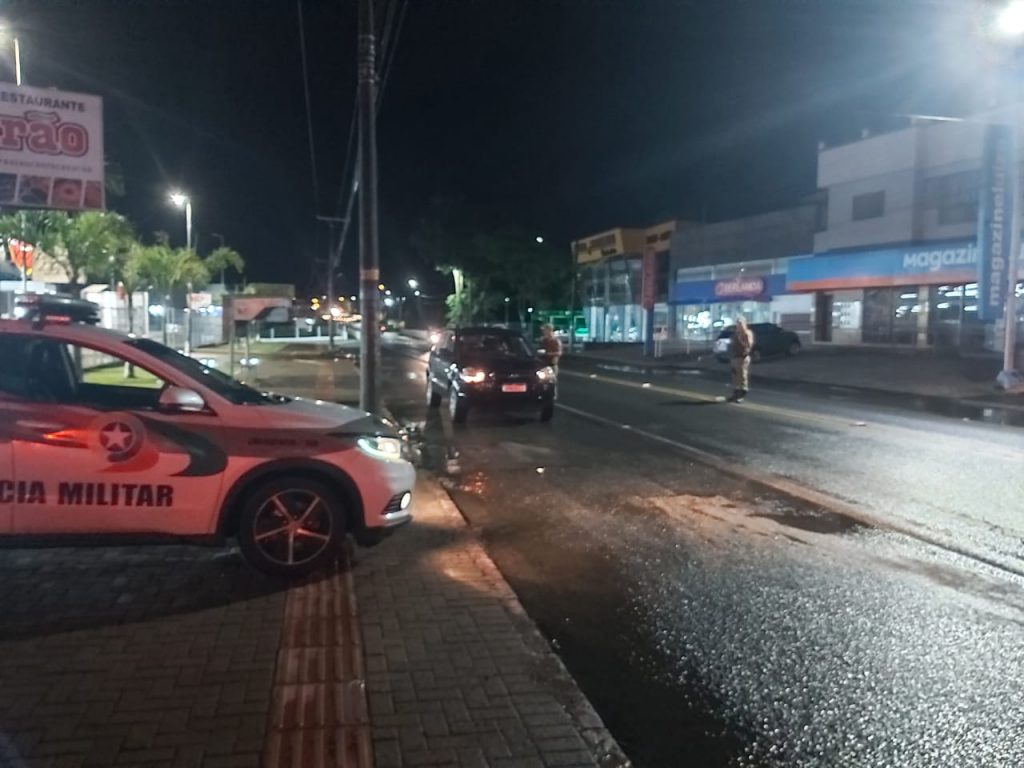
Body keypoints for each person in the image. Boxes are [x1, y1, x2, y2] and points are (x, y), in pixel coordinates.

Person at [729, 317, 754, 403]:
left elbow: (748, 345)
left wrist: (741, 338)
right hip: (735, 357)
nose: (738, 326)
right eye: (737, 324)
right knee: (735, 375)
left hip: (742, 357)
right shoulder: (736, 334)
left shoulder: (747, 333)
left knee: (742, 376)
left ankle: (742, 394)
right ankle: (735, 393)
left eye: (740, 324)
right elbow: (732, 344)